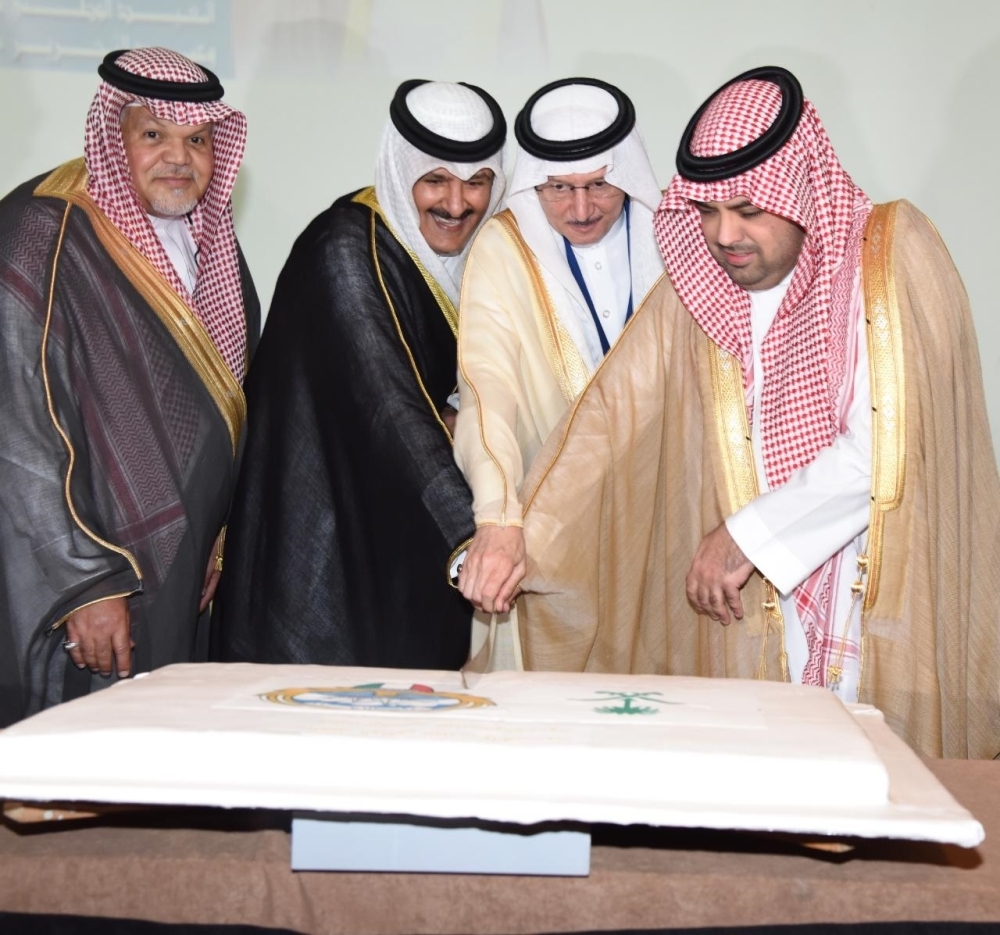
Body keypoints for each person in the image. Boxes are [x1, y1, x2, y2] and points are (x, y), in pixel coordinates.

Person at [514, 66, 1000, 759]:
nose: (724, 234)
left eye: (747, 208)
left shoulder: (890, 259)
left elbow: (885, 445)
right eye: (707, 211)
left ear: (799, 188)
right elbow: (609, 422)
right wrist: (519, 533)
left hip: (877, 600)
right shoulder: (704, 287)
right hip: (756, 621)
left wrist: (744, 536)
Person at [0, 47, 259, 726]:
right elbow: (18, 425)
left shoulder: (213, 242)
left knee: (154, 763)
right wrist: (83, 579)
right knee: (68, 767)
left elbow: (227, 406)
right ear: (113, 137)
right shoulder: (41, 231)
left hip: (180, 565)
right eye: (154, 136)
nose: (180, 157)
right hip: (82, 581)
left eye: (197, 140)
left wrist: (218, 538)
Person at [213, 80, 507, 669]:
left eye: (477, 182)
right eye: (435, 180)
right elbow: (391, 405)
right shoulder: (347, 248)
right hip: (323, 540)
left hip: (399, 532)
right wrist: (474, 537)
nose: (457, 203)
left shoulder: (462, 255)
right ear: (401, 174)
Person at [454, 77, 664, 622]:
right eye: (558, 189)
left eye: (598, 185)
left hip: (666, 507)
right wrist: (498, 517)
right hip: (549, 522)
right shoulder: (504, 248)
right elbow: (487, 384)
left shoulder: (672, 239)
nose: (581, 208)